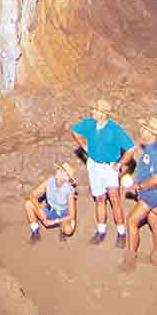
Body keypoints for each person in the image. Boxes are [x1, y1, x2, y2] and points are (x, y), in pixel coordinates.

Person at [68, 97, 134, 245]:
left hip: (109, 167)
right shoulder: (89, 124)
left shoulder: (115, 129)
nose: (93, 112)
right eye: (94, 109)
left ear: (103, 113)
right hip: (94, 166)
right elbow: (74, 131)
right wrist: (85, 147)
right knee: (99, 199)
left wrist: (119, 164)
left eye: (96, 110)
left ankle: (121, 233)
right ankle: (101, 230)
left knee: (114, 199)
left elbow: (130, 149)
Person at [118, 116, 157, 267]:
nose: (141, 130)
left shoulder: (156, 153)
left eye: (145, 128)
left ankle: (130, 258)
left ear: (153, 133)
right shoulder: (150, 149)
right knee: (154, 221)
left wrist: (138, 186)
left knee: (131, 221)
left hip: (152, 193)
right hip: (155, 192)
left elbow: (156, 179)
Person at [23, 162, 78, 242]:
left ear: (67, 179)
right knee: (28, 204)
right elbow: (32, 195)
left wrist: (53, 222)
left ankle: (62, 230)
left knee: (68, 230)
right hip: (49, 210)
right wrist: (40, 210)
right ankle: (35, 231)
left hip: (63, 214)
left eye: (63, 172)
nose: (58, 171)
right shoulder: (49, 181)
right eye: (59, 169)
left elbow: (71, 216)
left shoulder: (69, 191)